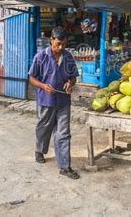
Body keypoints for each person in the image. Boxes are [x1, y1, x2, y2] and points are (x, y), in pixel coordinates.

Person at [28, 26, 80, 179]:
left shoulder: (69, 57)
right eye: (58, 43)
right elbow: (31, 78)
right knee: (44, 128)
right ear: (51, 40)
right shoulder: (40, 57)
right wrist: (43, 86)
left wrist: (70, 83)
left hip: (63, 100)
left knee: (63, 133)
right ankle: (39, 149)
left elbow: (74, 77)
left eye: (64, 44)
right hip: (46, 100)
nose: (61, 47)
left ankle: (65, 166)